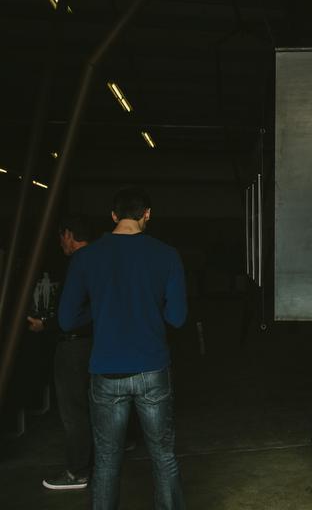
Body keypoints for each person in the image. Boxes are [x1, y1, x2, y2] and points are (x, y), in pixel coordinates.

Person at [58, 187, 187, 510]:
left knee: (106, 458)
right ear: (147, 215)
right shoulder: (167, 254)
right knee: (164, 456)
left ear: (113, 215)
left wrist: (100, 310)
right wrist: (149, 306)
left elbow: (66, 319)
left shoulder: (86, 257)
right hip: (152, 368)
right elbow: (177, 317)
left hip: (106, 371)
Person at [27, 217, 93, 490]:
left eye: (61, 237)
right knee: (93, 405)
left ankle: (77, 472)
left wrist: (46, 324)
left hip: (74, 345)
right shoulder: (102, 259)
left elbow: (68, 316)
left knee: (73, 410)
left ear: (68, 234)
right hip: (96, 344)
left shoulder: (78, 262)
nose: (60, 244)